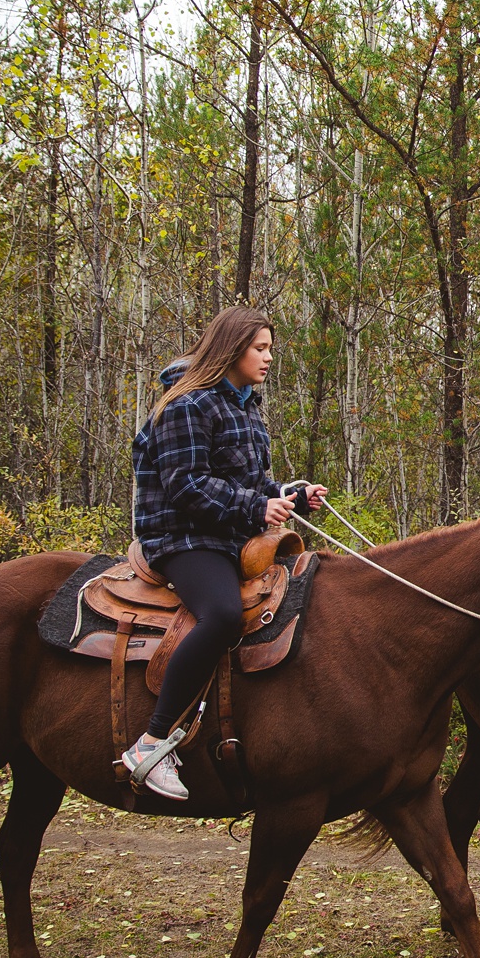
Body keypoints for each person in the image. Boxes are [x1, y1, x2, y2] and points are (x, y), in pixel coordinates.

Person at [121, 307, 326, 801]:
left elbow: (248, 484)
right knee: (222, 615)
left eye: (270, 348)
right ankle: (150, 743)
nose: (269, 358)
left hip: (229, 534)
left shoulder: (245, 406)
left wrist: (290, 496)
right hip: (182, 536)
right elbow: (186, 485)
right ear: (231, 348)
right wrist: (258, 506)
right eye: (260, 348)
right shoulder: (186, 403)